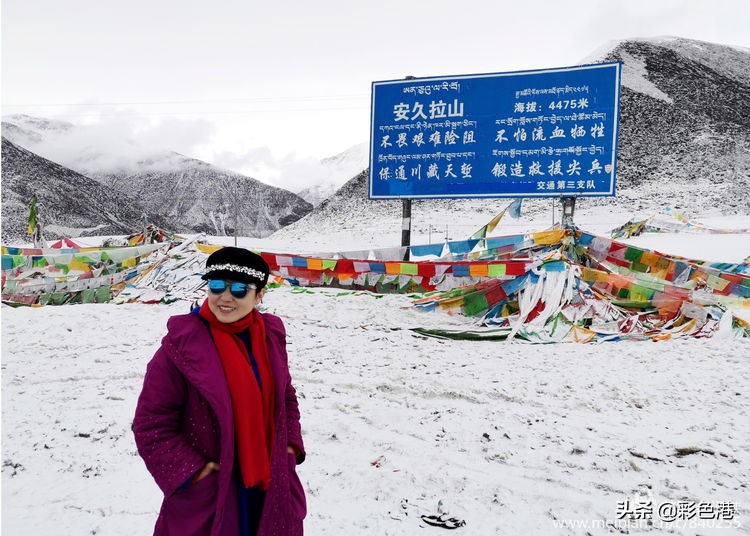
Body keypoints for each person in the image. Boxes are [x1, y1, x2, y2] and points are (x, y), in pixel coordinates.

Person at [133, 246, 306, 536]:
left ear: (259, 295)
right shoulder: (180, 346)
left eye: (239, 289)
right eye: (216, 286)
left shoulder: (270, 337)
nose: (225, 297)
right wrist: (191, 474)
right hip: (214, 490)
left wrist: (289, 449)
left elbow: (285, 396)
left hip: (270, 482)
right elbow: (151, 423)